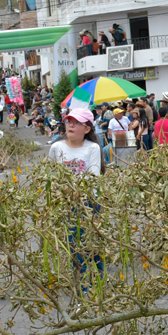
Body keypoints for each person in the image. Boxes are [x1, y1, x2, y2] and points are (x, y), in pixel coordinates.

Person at [49, 108, 105, 278]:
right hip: (65, 202)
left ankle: (98, 278)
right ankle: (82, 282)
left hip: (87, 202)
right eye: (69, 122)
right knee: (73, 243)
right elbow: (50, 174)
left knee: (92, 242)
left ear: (87, 129)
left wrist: (78, 194)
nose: (71, 126)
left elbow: (93, 177)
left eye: (76, 123)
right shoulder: (56, 147)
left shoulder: (93, 148)